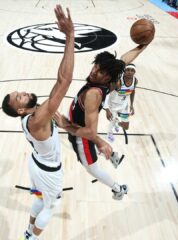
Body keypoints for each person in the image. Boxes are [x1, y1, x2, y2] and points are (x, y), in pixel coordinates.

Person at [1, 5, 74, 240]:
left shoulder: (34, 113)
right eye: (19, 96)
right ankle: (31, 237)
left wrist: (66, 40)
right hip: (47, 170)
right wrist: (70, 36)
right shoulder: (37, 118)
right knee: (50, 207)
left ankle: (27, 231)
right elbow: (66, 81)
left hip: (37, 164)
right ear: (21, 109)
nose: (23, 92)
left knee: (40, 200)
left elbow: (59, 78)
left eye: (19, 92)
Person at [54, 44, 148, 200]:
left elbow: (90, 133)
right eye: (96, 66)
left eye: (101, 72)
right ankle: (112, 155)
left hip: (81, 136)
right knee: (94, 145)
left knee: (91, 168)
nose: (94, 71)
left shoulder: (93, 94)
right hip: (79, 125)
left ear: (107, 78)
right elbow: (124, 59)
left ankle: (118, 189)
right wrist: (143, 45)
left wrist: (66, 125)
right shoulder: (106, 82)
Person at [104, 63, 138, 142]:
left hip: (123, 106)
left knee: (126, 127)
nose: (130, 72)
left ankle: (117, 123)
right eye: (128, 70)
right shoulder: (118, 82)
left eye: (132, 70)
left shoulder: (135, 81)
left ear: (134, 72)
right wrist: (107, 109)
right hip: (113, 106)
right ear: (124, 71)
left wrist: (132, 105)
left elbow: (132, 91)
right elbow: (106, 94)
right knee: (111, 123)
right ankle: (109, 133)